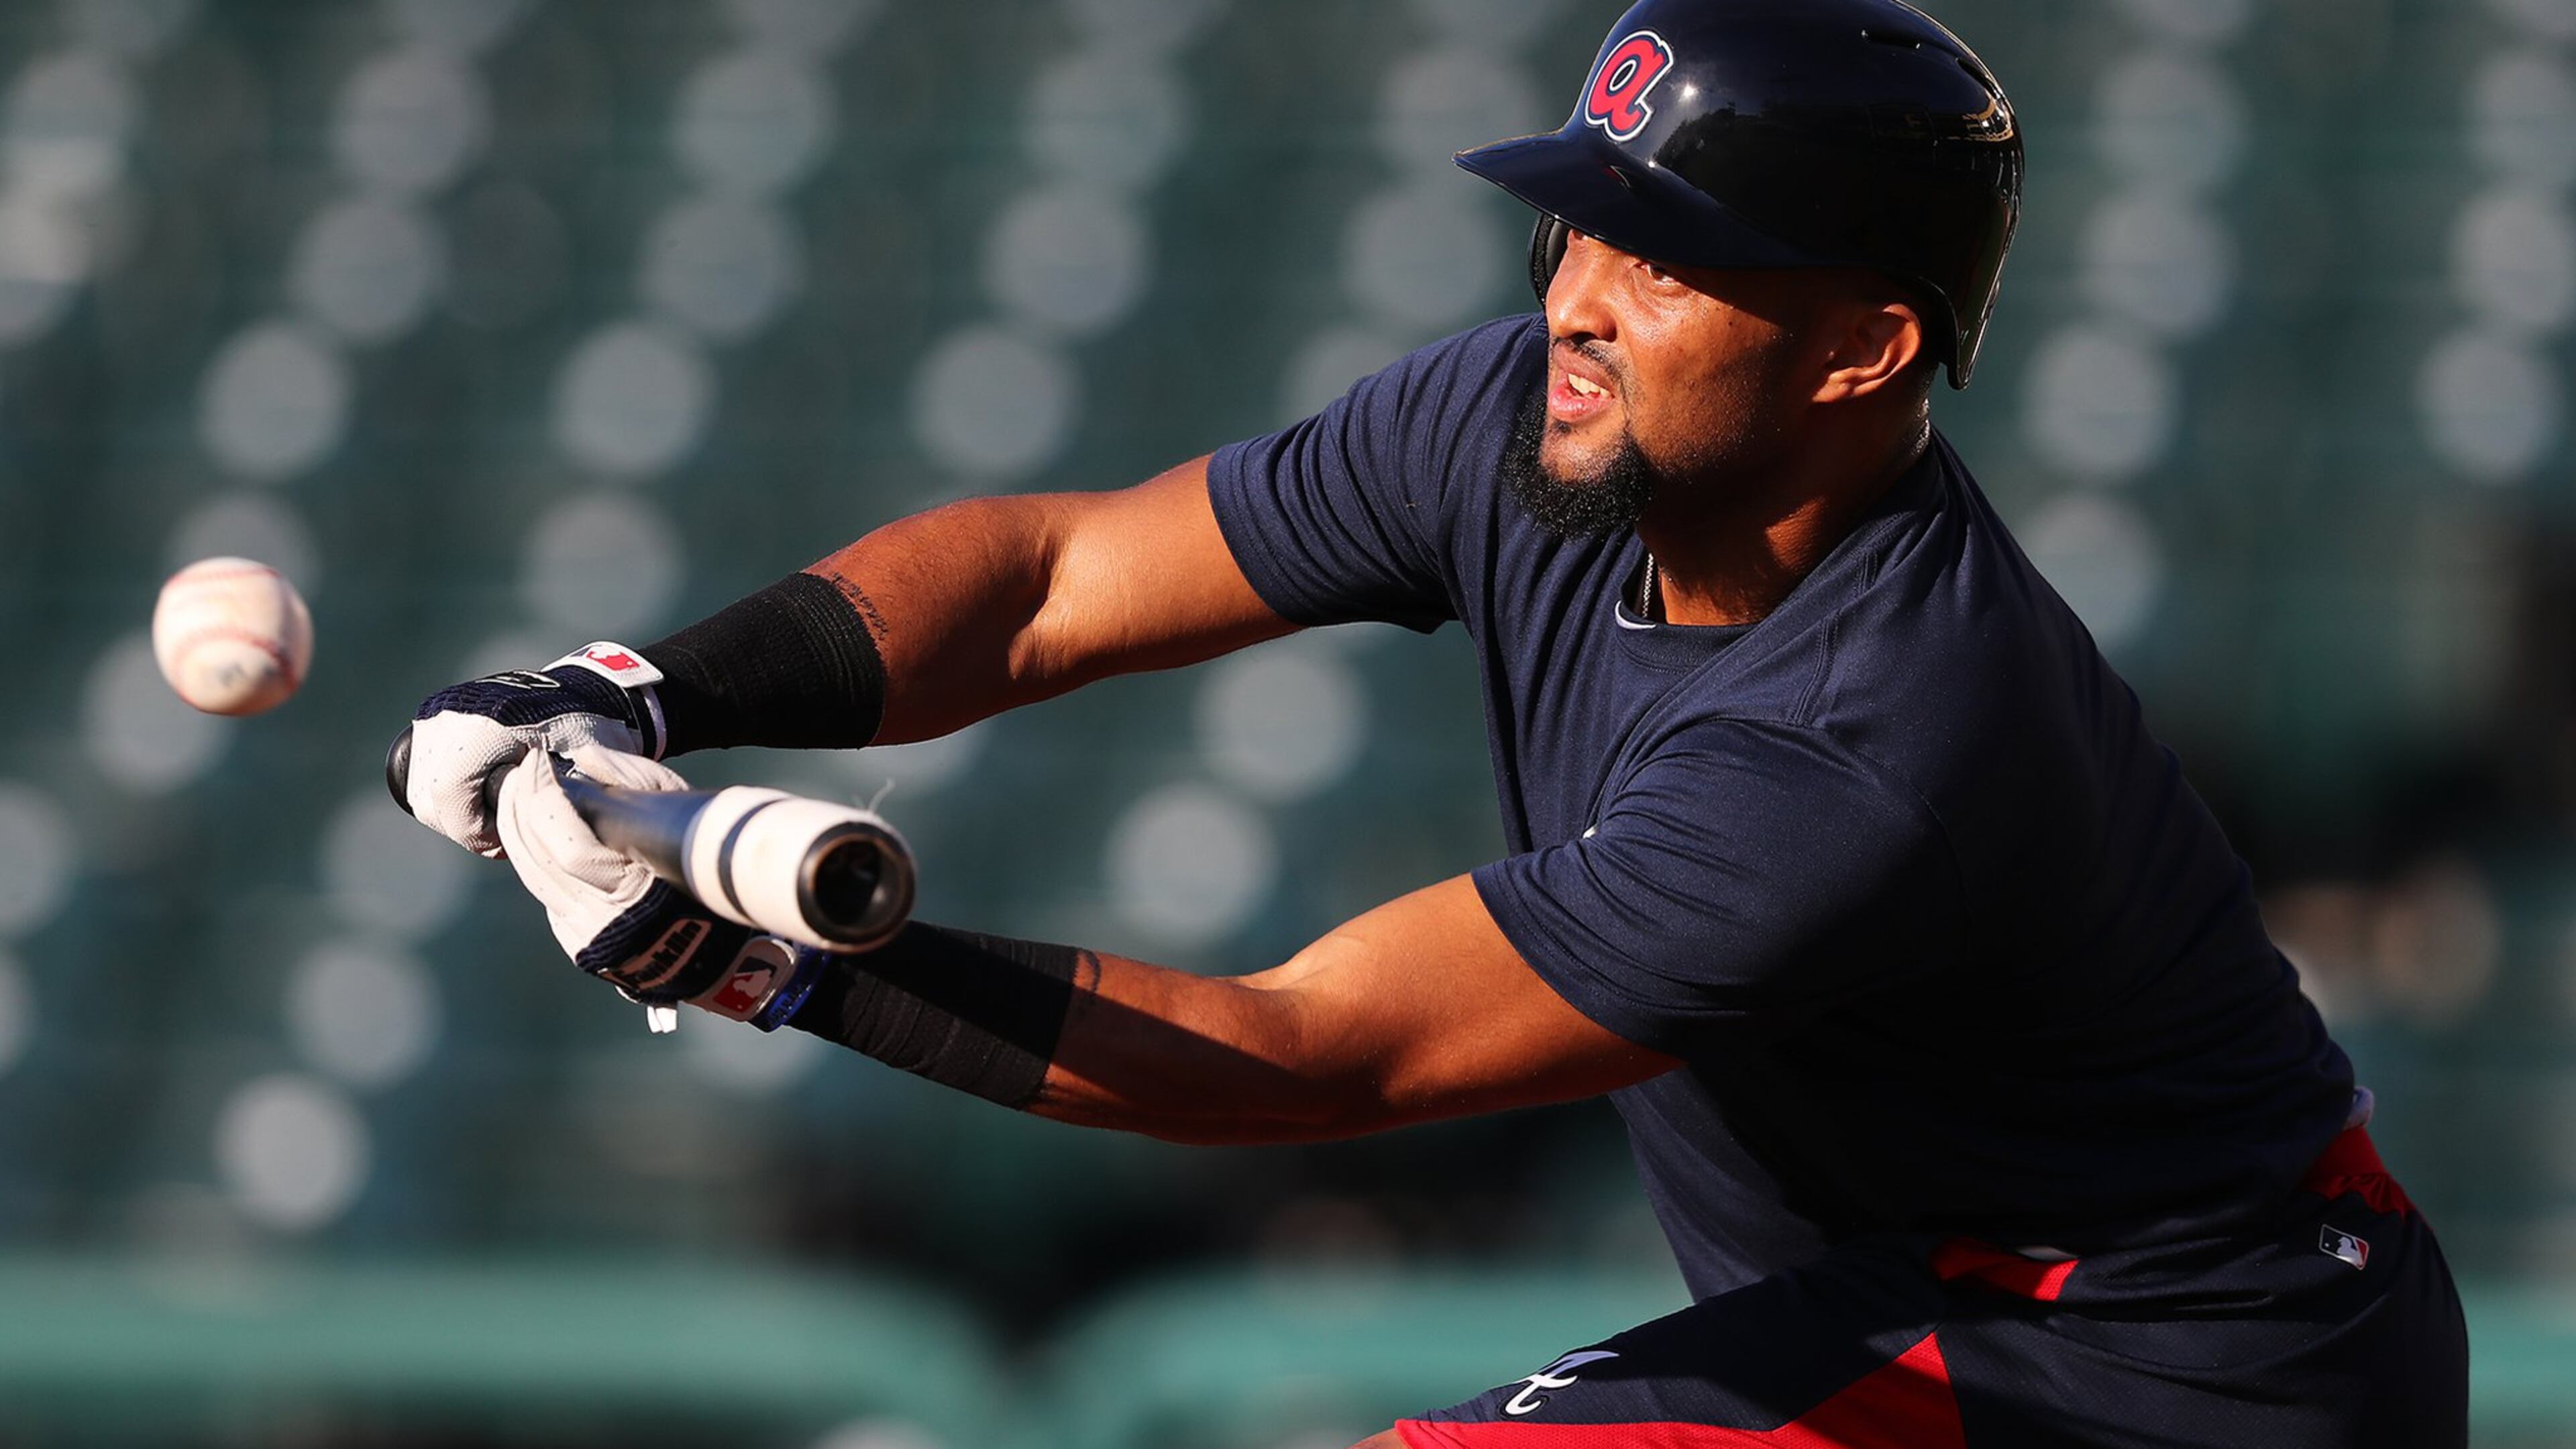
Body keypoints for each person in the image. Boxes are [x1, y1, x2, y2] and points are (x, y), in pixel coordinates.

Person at [398, 0, 2469, 1442]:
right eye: (1583, 215)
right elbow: (1049, 579)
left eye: (1668, 254)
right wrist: (640, 684)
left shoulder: (1874, 739)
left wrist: (759, 968)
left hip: (2172, 1371)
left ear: (1865, 348)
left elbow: (1310, 1053)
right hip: (1927, 1313)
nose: (1577, 286)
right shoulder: (1530, 414)